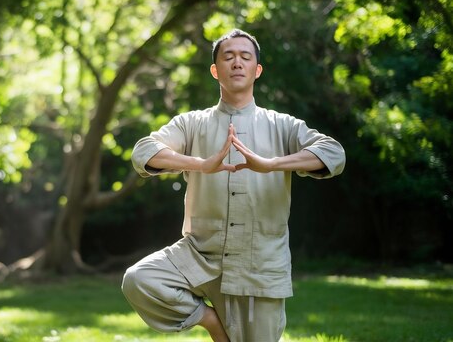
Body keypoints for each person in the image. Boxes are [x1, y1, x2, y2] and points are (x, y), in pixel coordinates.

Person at [120, 29, 346, 341]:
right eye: (228, 57)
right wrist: (201, 164)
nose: (236, 62)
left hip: (259, 263)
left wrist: (271, 164)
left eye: (245, 57)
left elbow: (334, 154)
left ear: (257, 70)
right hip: (198, 254)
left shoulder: (283, 125)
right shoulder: (192, 123)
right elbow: (144, 151)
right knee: (139, 279)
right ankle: (211, 321)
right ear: (215, 70)